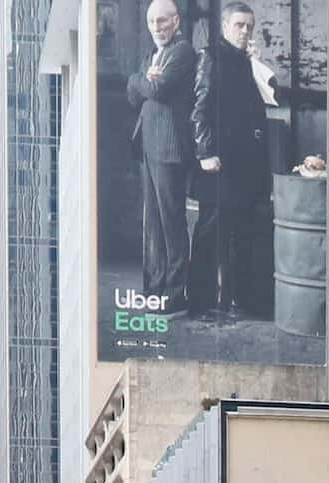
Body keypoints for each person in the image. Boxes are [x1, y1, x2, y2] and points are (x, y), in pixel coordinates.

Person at [188, 1, 265, 321]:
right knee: (210, 232)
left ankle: (236, 301)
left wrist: (256, 66)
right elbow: (199, 109)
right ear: (224, 27)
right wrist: (205, 152)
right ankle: (200, 304)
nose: (245, 31)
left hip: (243, 163)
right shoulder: (211, 56)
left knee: (240, 233)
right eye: (239, 25)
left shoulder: (245, 60)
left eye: (249, 26)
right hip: (217, 163)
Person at [128, 0, 198, 308]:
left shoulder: (183, 51)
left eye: (163, 21)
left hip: (170, 150)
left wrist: (139, 79)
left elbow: (158, 91)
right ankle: (155, 288)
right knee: (153, 224)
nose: (157, 27)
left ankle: (174, 294)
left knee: (171, 223)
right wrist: (141, 79)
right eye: (152, 22)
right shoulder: (153, 55)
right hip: (148, 146)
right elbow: (134, 96)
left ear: (176, 21)